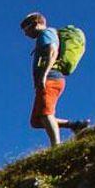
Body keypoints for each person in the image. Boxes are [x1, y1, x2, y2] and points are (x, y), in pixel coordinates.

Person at [21, 12, 88, 147]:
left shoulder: (46, 34)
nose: (26, 34)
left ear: (36, 24)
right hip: (49, 78)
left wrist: (44, 74)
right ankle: (75, 125)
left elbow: (53, 51)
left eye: (26, 29)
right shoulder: (45, 35)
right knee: (36, 120)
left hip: (51, 77)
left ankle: (56, 146)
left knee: (46, 114)